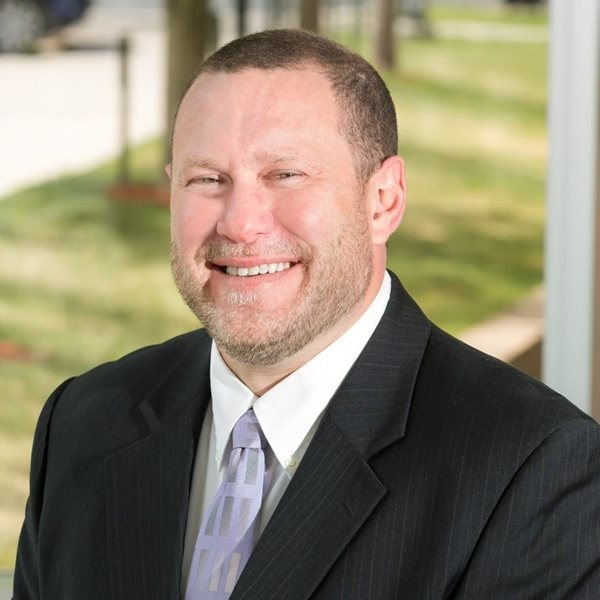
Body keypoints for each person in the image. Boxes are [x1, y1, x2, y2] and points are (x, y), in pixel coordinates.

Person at [13, 29, 600, 600]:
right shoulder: (83, 423)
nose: (240, 223)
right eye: (207, 179)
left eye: (285, 175)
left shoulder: (532, 468)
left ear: (383, 201)